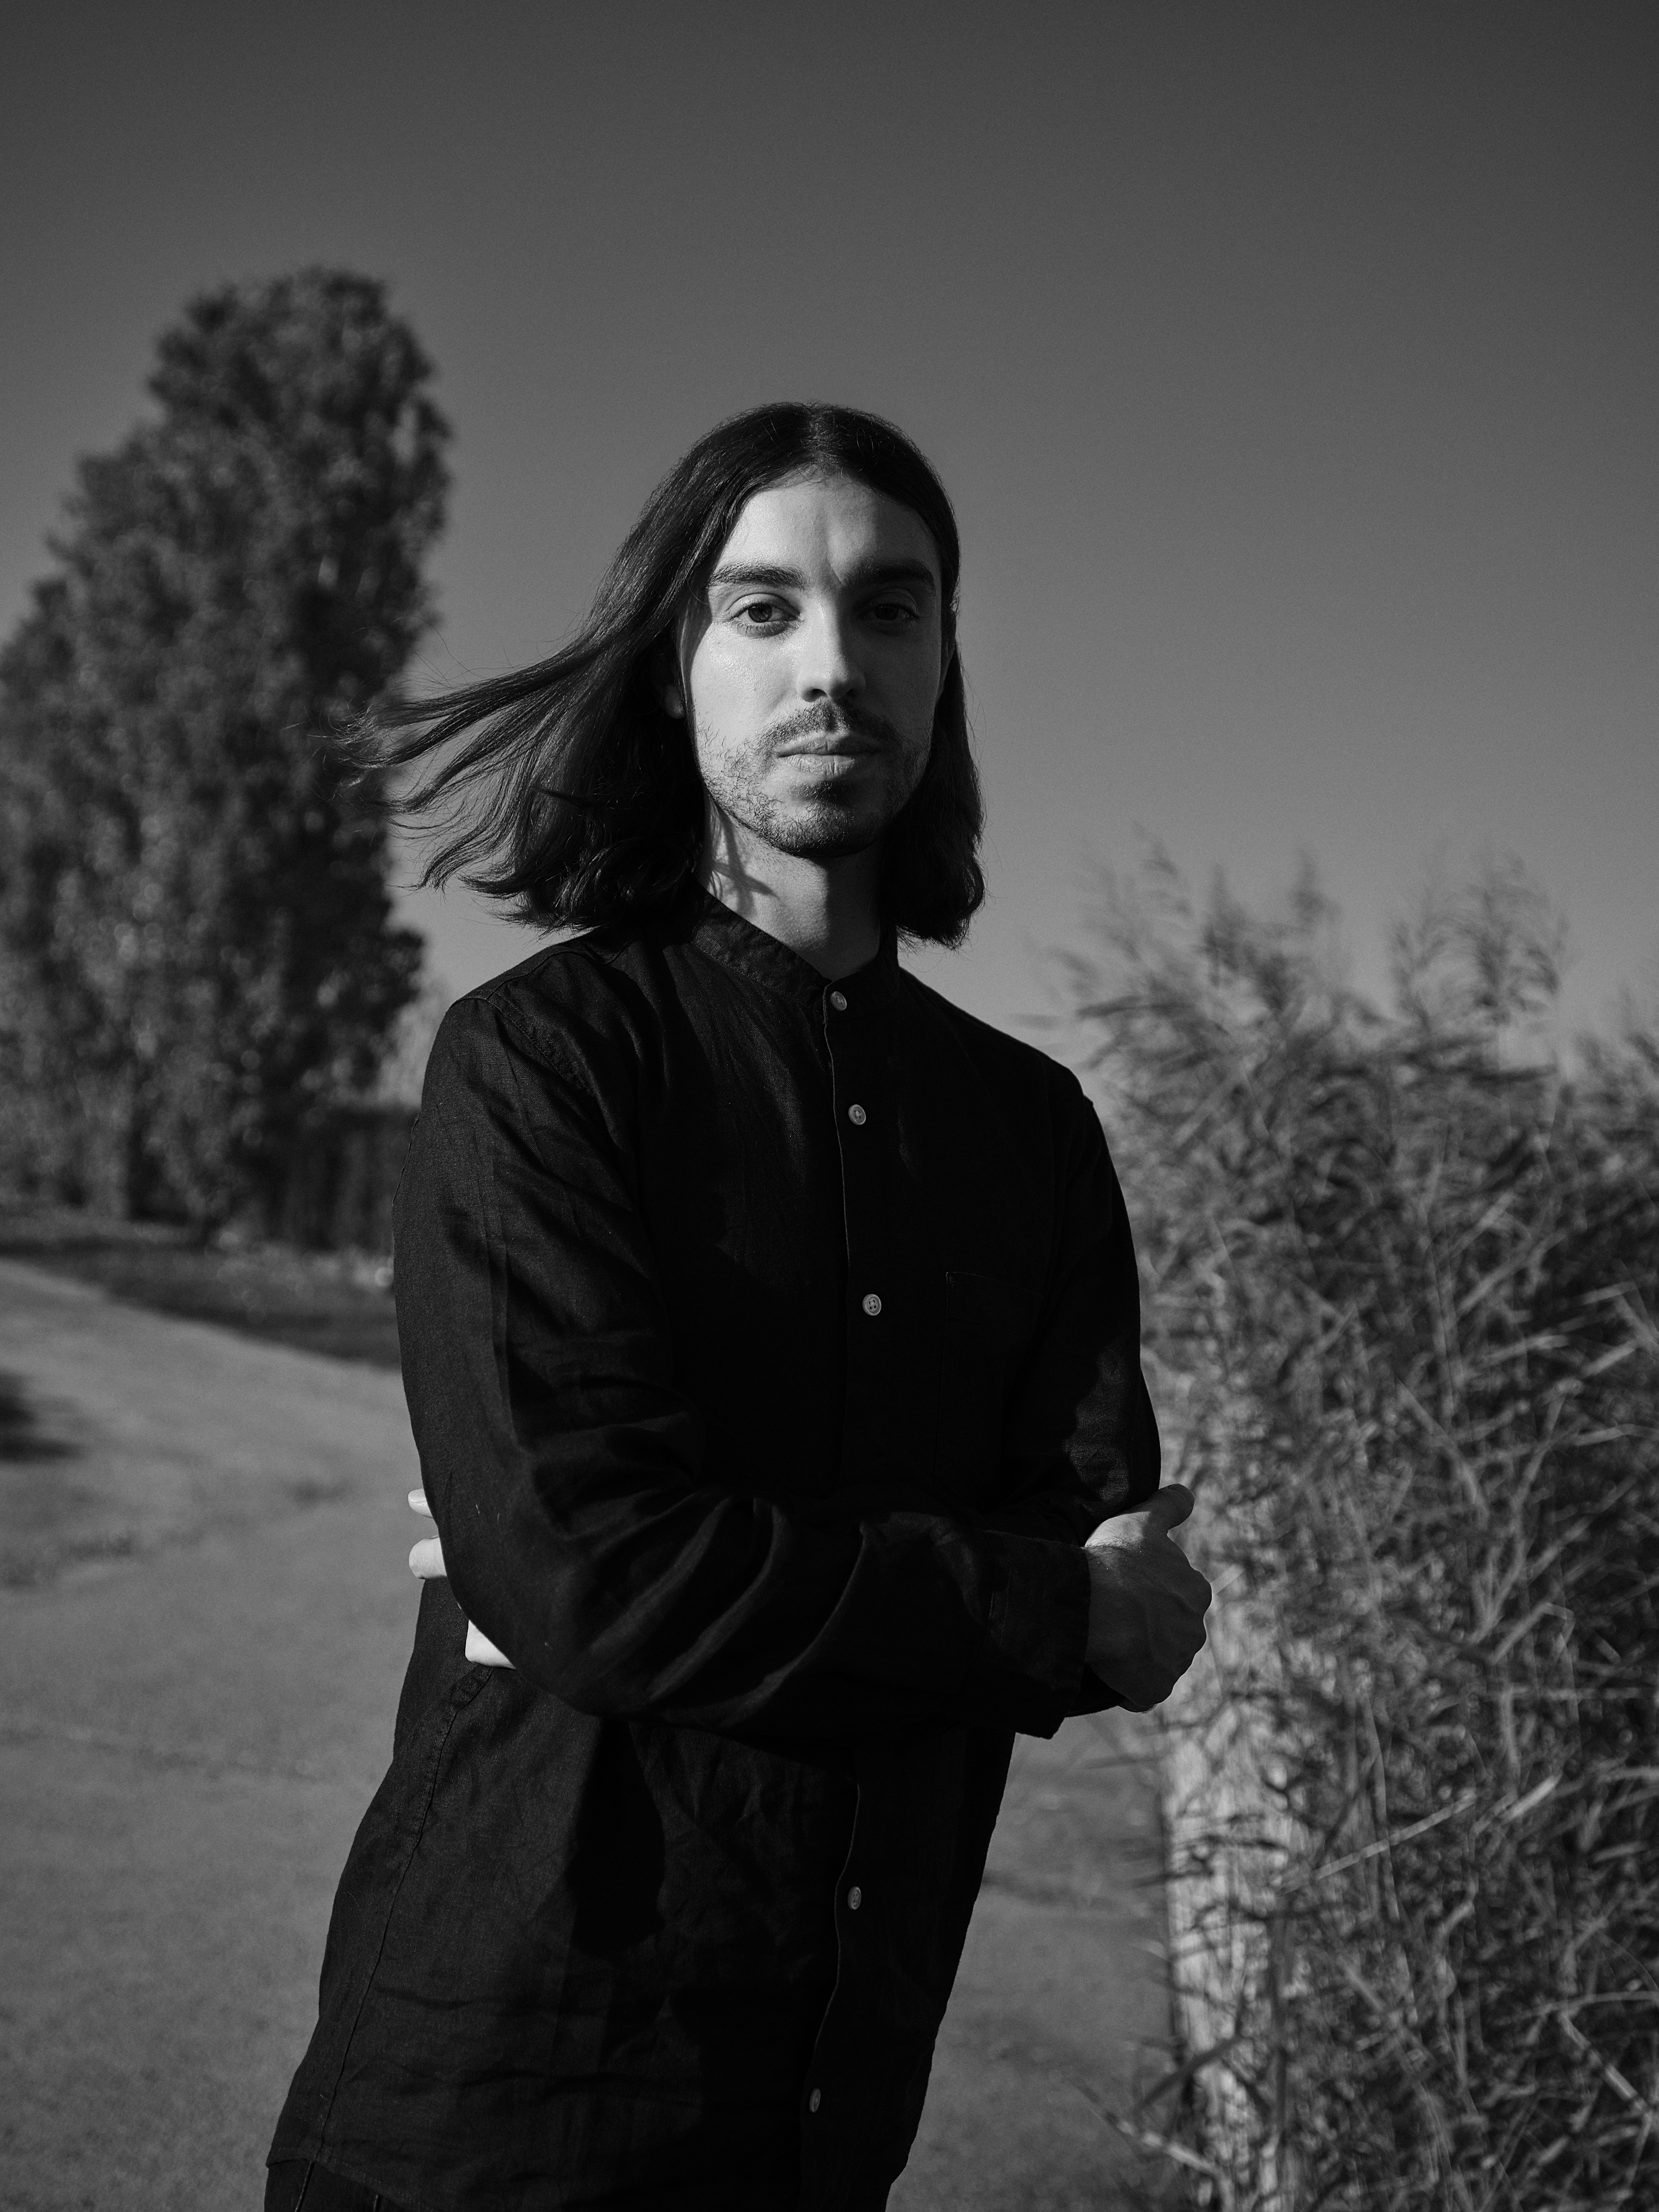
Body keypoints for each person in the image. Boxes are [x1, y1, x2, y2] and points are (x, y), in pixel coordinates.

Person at [266, 402, 1210, 2212]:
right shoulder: (540, 1063)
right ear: (672, 666)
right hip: (495, 2100)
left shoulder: (1033, 1130)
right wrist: (1007, 1603)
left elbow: (1108, 1582)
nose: (833, 666)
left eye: (890, 609)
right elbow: (605, 1576)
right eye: (762, 610)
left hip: (835, 2108)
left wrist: (677, 1571)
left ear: (943, 663)